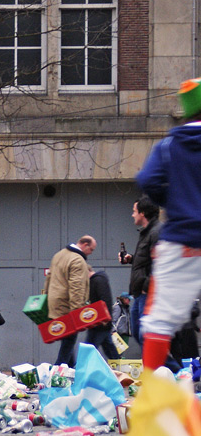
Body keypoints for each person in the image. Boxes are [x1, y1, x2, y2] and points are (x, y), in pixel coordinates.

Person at [136, 76, 201, 372]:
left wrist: (175, 200)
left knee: (159, 321)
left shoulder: (169, 146)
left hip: (182, 241)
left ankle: (154, 394)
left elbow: (147, 180)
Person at [45, 235, 96, 366]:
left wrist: (46, 299)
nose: (91, 253)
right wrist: (78, 314)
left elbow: (48, 279)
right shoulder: (77, 260)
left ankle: (71, 370)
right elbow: (76, 288)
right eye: (91, 249)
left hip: (55, 305)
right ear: (85, 245)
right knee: (68, 343)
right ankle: (56, 372)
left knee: (68, 342)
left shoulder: (58, 255)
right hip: (67, 306)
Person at [118, 195, 160, 345]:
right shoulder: (146, 233)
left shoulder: (156, 233)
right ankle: (160, 366)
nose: (132, 214)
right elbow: (147, 259)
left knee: (146, 336)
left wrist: (146, 287)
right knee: (138, 333)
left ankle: (167, 367)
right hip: (140, 293)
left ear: (142, 213)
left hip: (147, 293)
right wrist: (131, 258)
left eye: (134, 211)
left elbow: (160, 263)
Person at [83, 267, 120, 360]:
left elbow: (105, 300)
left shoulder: (98, 281)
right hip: (100, 322)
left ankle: (82, 366)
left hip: (100, 322)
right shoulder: (97, 280)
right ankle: (120, 367)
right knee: (109, 348)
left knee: (89, 348)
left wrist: (104, 318)